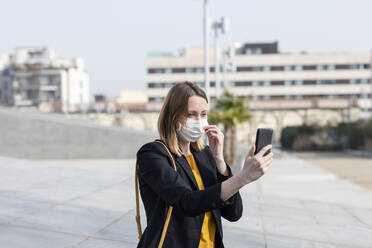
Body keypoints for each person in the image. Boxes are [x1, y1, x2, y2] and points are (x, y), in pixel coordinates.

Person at [136, 82, 273, 248]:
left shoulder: (205, 154)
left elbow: (234, 213)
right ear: (173, 116)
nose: (199, 121)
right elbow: (187, 203)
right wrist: (243, 177)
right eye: (191, 114)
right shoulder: (153, 154)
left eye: (203, 114)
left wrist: (220, 161)